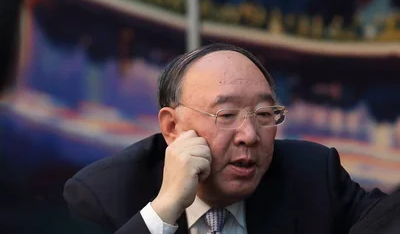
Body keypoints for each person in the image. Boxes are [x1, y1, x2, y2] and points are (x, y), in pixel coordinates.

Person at [64, 43, 396, 233]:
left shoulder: (311, 173)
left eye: (265, 115)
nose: (250, 136)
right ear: (172, 128)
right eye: (226, 115)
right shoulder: (105, 194)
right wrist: (163, 212)